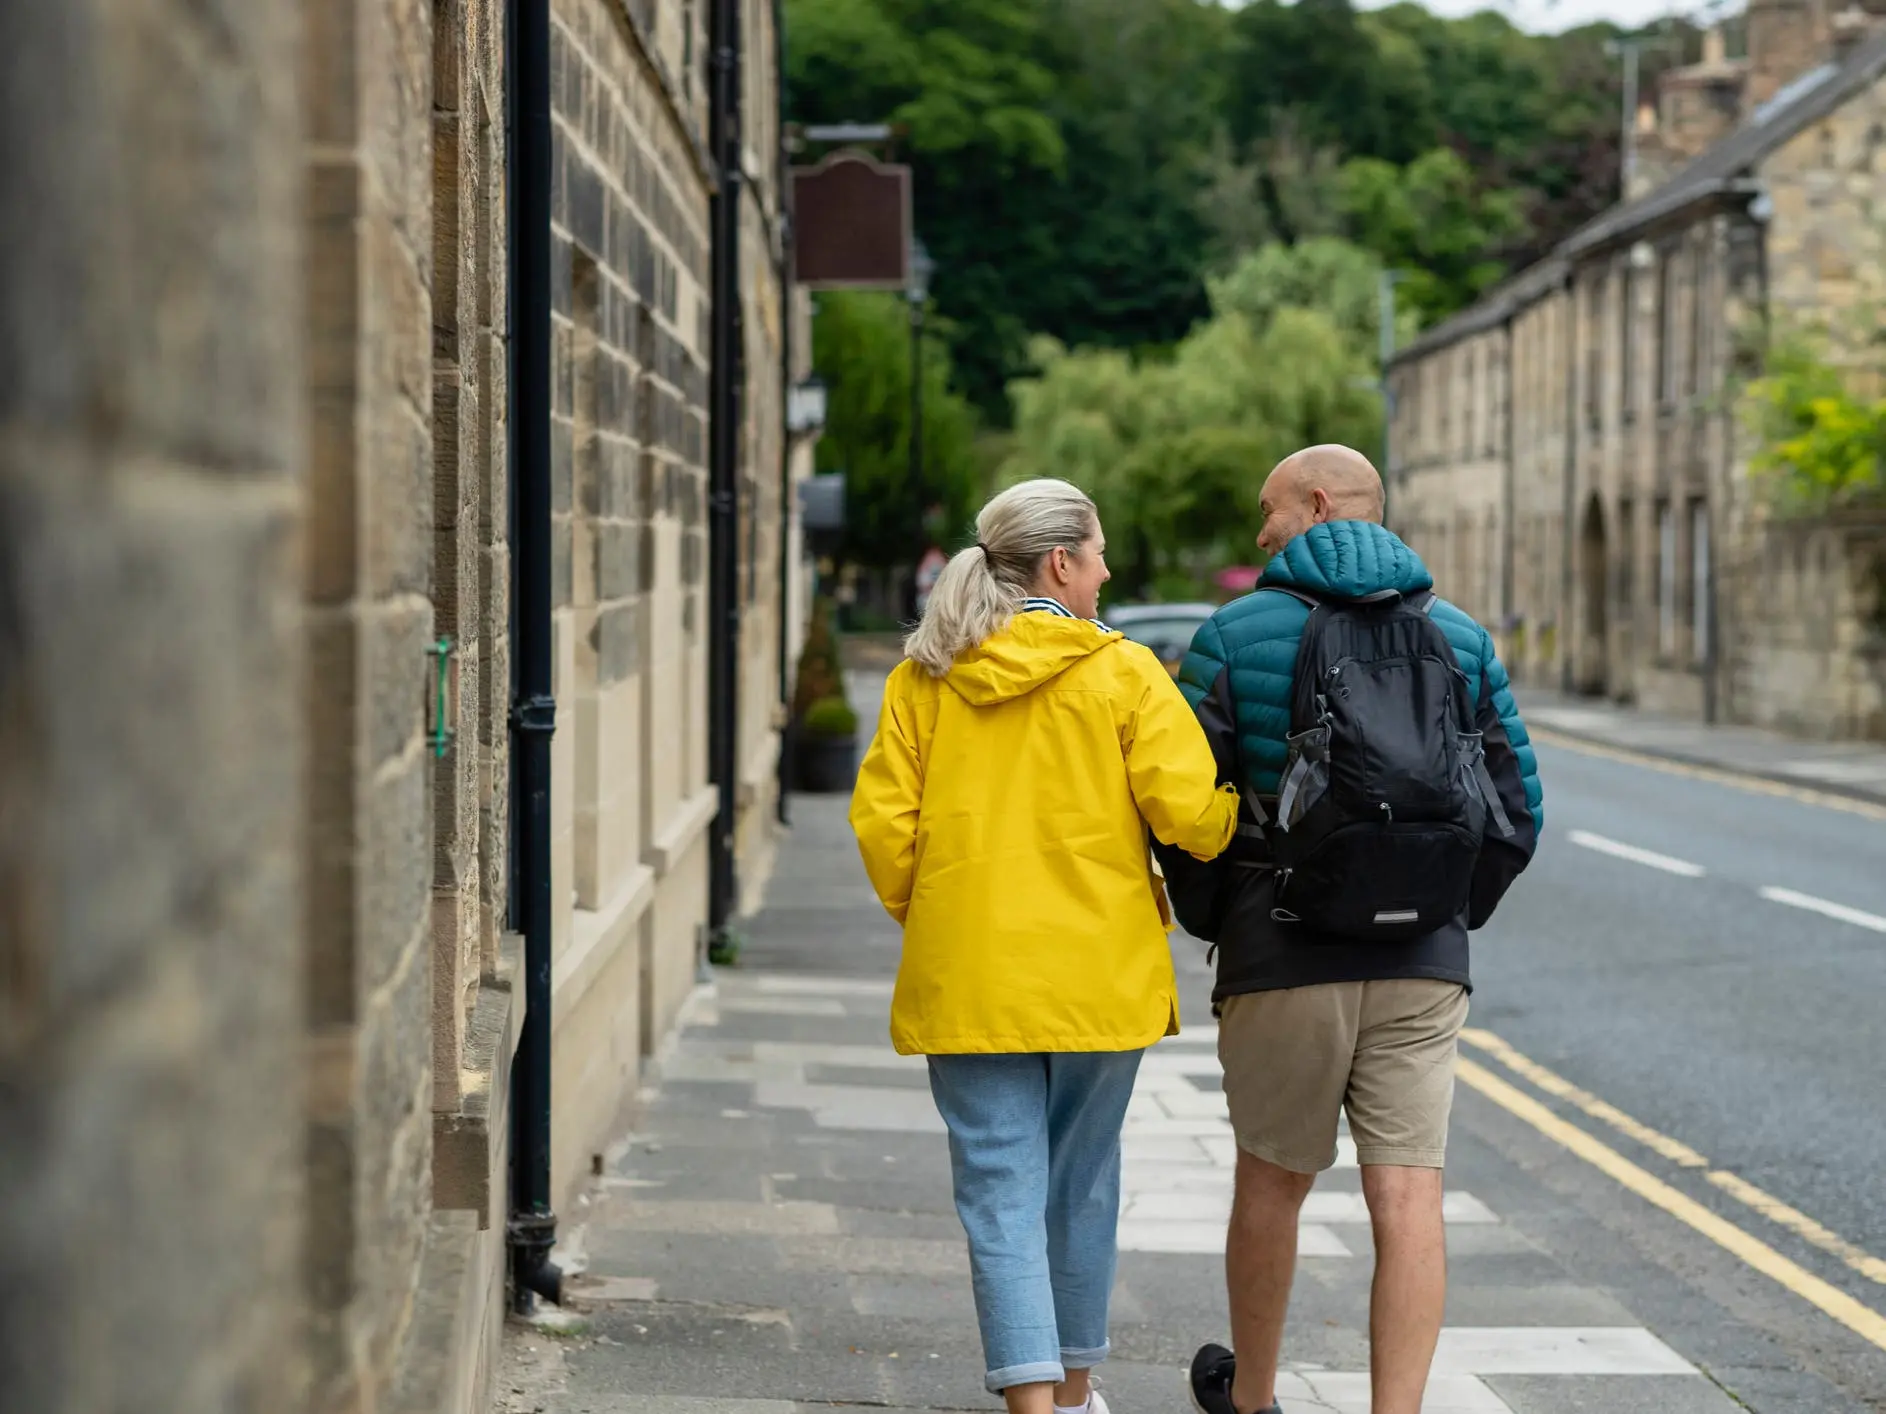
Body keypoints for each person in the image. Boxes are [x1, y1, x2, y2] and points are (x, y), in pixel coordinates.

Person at [849, 477, 1240, 1414]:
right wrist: (1233, 819)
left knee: (997, 1193)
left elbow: (883, 830)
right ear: (1061, 563)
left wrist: (944, 917)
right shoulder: (1123, 672)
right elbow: (1188, 815)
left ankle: (1035, 1410)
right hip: (1099, 976)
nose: (1107, 574)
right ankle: (1071, 1394)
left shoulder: (924, 678)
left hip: (971, 973)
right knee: (1081, 1180)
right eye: (1099, 555)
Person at [1164, 446, 1542, 1414]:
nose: (1258, 534)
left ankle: (1248, 1401)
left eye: (1267, 510)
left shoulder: (1234, 631)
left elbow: (1182, 809)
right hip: (1421, 962)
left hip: (1281, 951)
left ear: (1317, 505)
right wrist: (1440, 913)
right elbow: (1514, 811)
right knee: (1409, 1193)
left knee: (1270, 1180)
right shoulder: (1458, 636)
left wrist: (1230, 922)